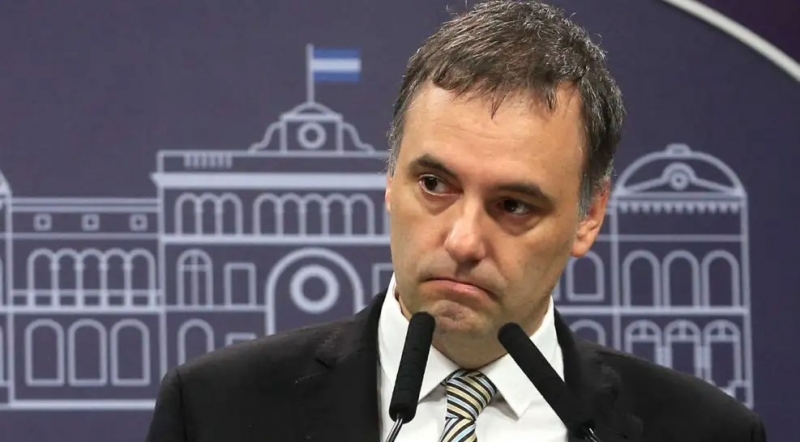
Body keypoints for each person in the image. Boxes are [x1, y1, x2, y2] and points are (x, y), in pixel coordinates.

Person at [144, 1, 766, 441]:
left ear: (589, 217)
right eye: (435, 185)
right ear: (391, 181)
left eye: (513, 205)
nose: (463, 241)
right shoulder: (214, 412)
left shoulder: (706, 432)